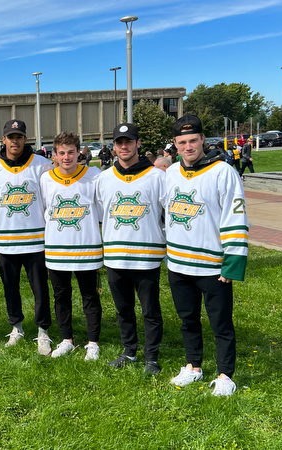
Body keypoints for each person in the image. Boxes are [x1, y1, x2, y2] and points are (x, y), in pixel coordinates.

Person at [165, 114, 248, 396]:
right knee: (188, 319)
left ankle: (225, 375)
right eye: (182, 142)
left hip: (212, 265)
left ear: (202, 140)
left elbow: (236, 217)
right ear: (175, 145)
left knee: (220, 323)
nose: (188, 147)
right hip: (178, 263)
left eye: (192, 140)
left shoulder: (224, 171)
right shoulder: (172, 172)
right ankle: (194, 366)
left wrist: (232, 263)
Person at [95, 123, 166, 375]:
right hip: (115, 256)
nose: (124, 146)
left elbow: (166, 214)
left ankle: (151, 356)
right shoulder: (103, 178)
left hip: (146, 257)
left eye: (128, 141)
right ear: (113, 147)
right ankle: (128, 351)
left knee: (150, 310)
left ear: (138, 144)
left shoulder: (157, 176)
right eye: (119, 142)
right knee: (123, 309)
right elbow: (103, 212)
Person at [0, 119, 53, 354]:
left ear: (25, 139)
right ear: (3, 140)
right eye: (10, 137)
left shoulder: (42, 165)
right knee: (9, 287)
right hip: (4, 240)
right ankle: (17, 327)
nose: (15, 141)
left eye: (19, 136)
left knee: (40, 288)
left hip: (35, 239)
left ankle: (43, 330)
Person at [39, 131, 103, 359]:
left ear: (79, 153)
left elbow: (101, 210)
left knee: (90, 296)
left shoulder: (94, 176)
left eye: (71, 152)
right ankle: (67, 339)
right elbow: (45, 210)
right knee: (61, 296)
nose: (66, 157)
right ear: (54, 155)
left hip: (87, 246)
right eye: (61, 153)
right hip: (56, 248)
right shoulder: (46, 179)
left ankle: (92, 341)